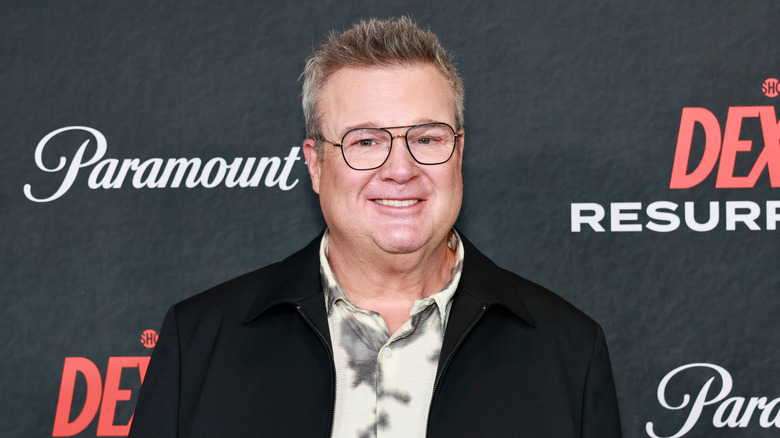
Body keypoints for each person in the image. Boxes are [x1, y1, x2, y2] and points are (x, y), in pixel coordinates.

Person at [129, 16, 622, 438]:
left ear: (459, 153)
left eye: (427, 138)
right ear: (316, 165)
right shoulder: (198, 342)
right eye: (365, 142)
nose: (401, 169)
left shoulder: (567, 351)